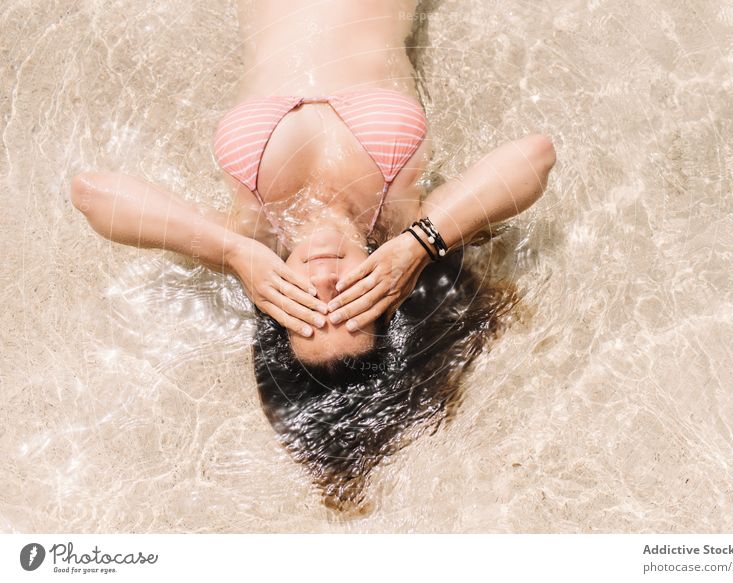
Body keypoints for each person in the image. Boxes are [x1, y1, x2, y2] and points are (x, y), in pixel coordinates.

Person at [70, 0, 555, 507]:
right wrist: (420, 244)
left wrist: (232, 251)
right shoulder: (401, 223)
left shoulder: (254, 236)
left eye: (304, 314)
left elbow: (93, 193)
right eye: (347, 305)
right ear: (389, 296)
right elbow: (535, 156)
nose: (323, 283)